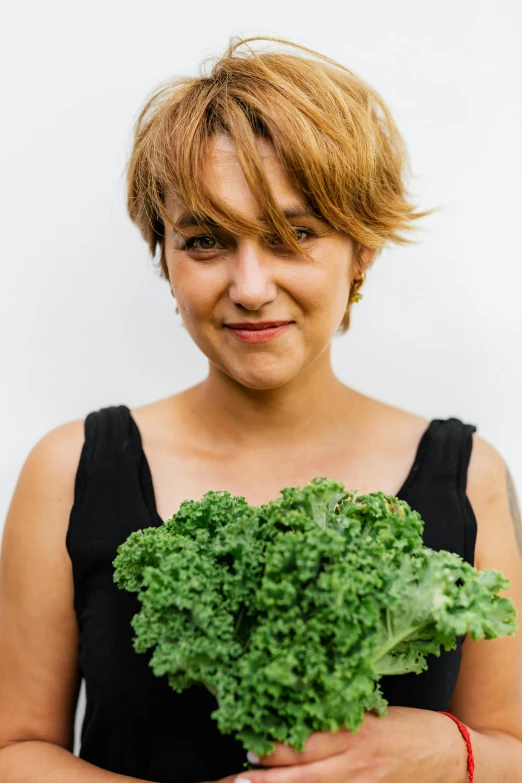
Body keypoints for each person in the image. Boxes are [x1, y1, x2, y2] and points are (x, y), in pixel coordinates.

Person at [0, 34, 521, 783]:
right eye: (206, 240)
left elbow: (513, 750)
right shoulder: (71, 468)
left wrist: (445, 752)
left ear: (361, 250)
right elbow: (15, 751)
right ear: (165, 256)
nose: (249, 285)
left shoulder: (467, 476)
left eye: (293, 234)